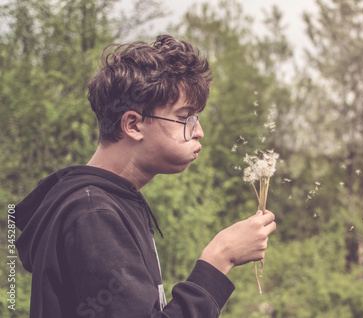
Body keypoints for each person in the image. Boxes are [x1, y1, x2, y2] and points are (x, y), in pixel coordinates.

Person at [15, 34, 277, 318]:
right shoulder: (92, 213)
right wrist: (219, 259)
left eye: (197, 118)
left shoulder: (110, 202)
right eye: (184, 117)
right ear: (133, 125)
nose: (198, 131)